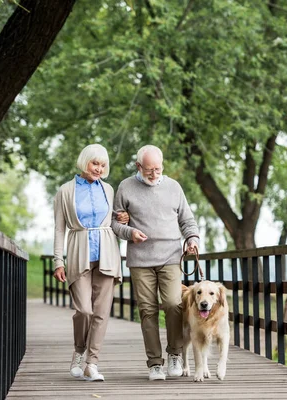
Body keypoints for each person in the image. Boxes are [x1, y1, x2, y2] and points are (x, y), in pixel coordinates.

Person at [111, 144, 199, 381]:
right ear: (139, 166)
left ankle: (174, 354)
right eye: (149, 170)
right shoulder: (126, 187)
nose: (153, 174)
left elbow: (187, 219)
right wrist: (130, 233)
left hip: (170, 255)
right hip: (140, 259)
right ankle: (154, 363)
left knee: (173, 303)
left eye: (157, 169)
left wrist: (192, 238)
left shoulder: (173, 187)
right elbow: (114, 223)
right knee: (147, 310)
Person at [53, 144, 129, 382]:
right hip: (79, 253)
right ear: (85, 161)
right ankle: (78, 351)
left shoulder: (108, 189)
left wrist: (123, 217)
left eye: (103, 165)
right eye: (95, 163)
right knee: (84, 310)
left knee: (101, 312)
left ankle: (92, 363)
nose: (99, 168)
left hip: (107, 252)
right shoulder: (66, 191)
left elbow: (114, 217)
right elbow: (59, 229)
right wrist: (58, 260)